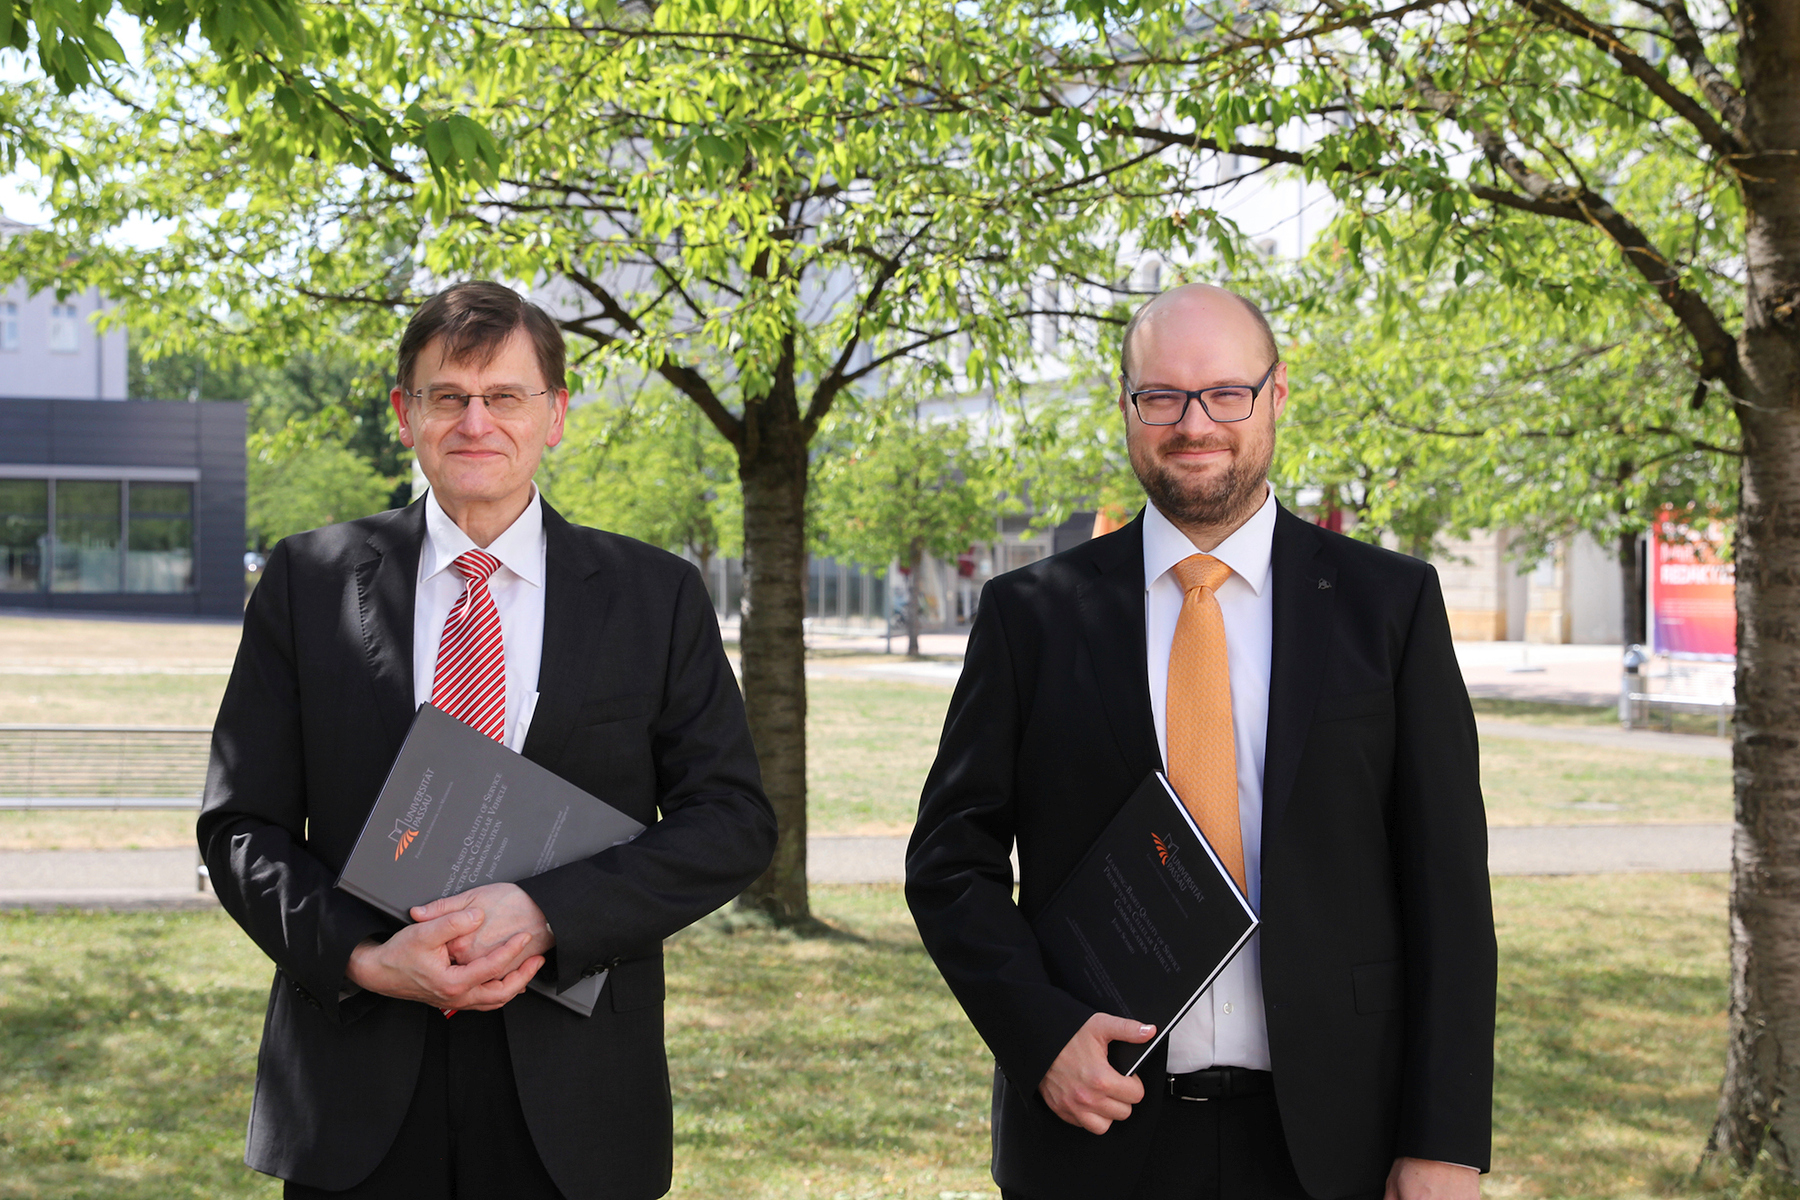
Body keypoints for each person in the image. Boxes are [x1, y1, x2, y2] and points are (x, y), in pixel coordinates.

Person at [905, 283, 1494, 1200]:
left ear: (1276, 396)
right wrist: (1040, 1035)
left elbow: (1449, 892)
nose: (1195, 424)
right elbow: (950, 863)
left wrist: (1445, 1141)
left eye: (1226, 392)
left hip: (1338, 1142)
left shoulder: (1391, 606)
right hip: (1095, 1131)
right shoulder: (1032, 615)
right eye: (1163, 397)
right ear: (1127, 408)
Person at [199, 281, 775, 1200]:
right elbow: (239, 829)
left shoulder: (655, 596)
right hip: (357, 1079)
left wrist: (550, 912)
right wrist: (363, 956)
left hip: (575, 1089)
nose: (476, 421)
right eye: (447, 396)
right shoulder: (304, 584)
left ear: (555, 416)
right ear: (404, 414)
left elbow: (732, 821)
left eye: (504, 396)